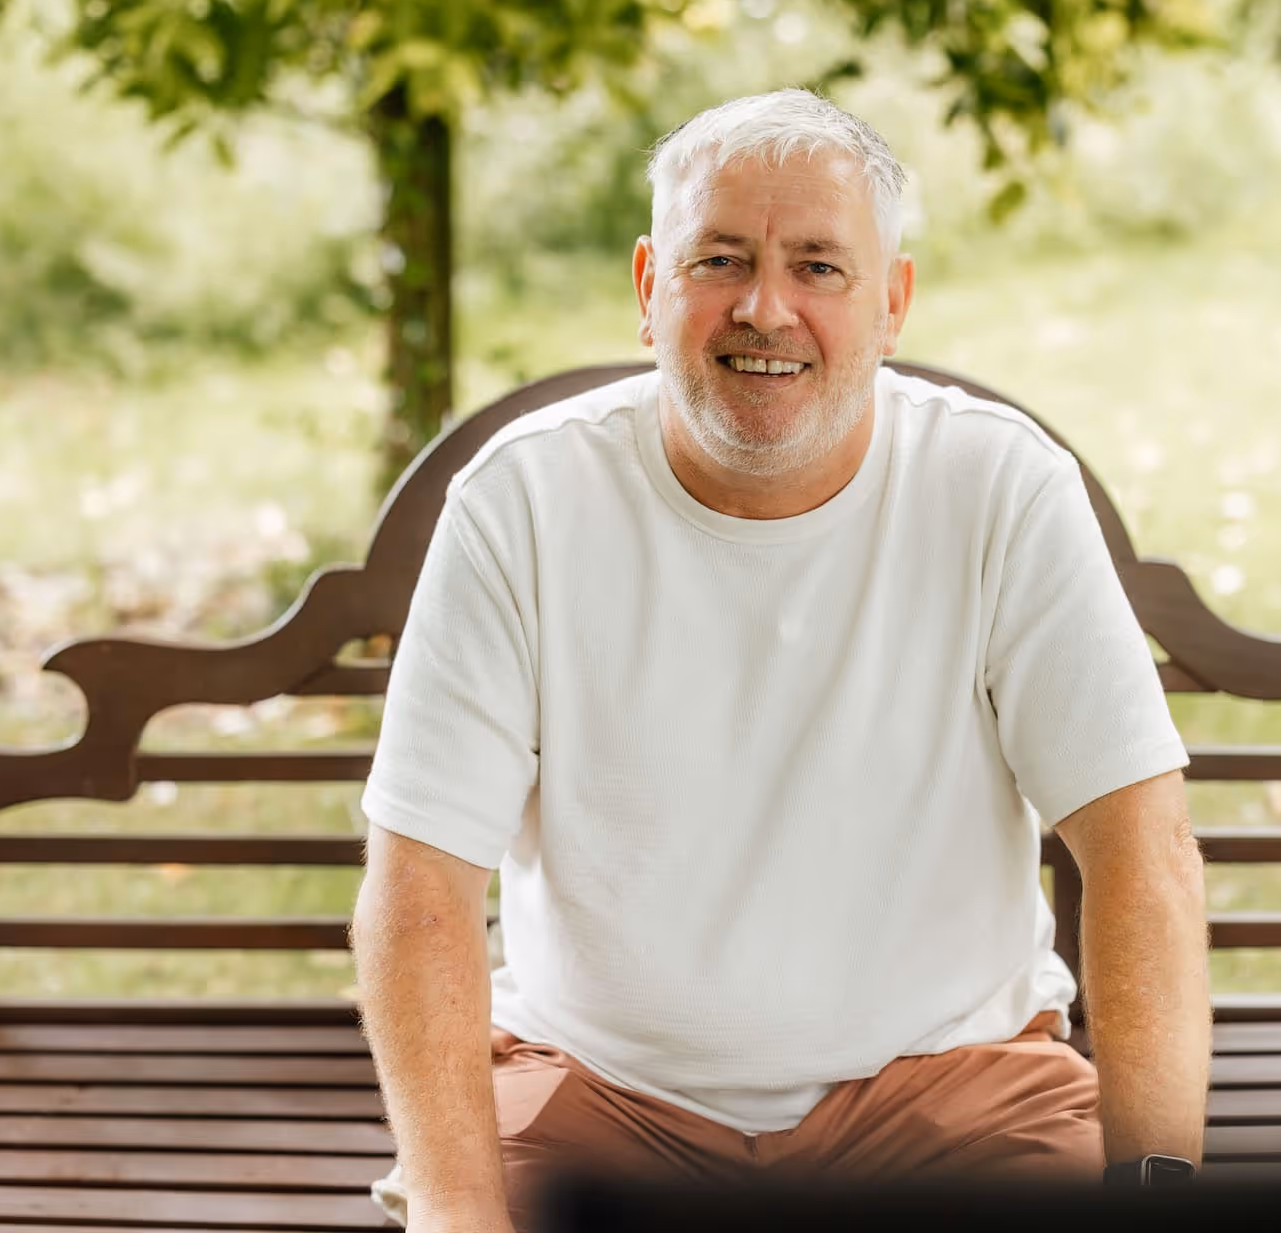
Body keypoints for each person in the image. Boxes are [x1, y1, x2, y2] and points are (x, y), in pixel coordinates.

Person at [350, 88, 1210, 1233]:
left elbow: (1141, 847)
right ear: (651, 284)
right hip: (599, 1091)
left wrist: (1154, 1190)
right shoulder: (524, 501)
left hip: (949, 1087)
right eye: (721, 259)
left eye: (819, 266)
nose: (765, 306)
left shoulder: (1001, 487)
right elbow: (419, 889)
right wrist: (460, 1215)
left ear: (892, 302)